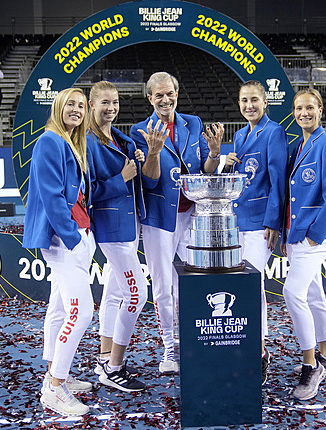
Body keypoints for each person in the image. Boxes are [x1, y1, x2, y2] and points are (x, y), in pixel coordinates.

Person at [130, 71, 223, 374]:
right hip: (159, 218)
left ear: (177, 94)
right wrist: (154, 153)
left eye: (170, 93)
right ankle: (169, 349)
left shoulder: (192, 123)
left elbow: (205, 171)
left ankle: (191, 339)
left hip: (191, 213)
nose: (165, 99)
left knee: (193, 279)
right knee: (163, 286)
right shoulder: (139, 131)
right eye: (159, 95)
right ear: (149, 98)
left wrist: (213, 153)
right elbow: (148, 179)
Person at [22, 87, 94, 416]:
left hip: (75, 236)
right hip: (66, 241)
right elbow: (52, 197)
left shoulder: (68, 141)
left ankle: (54, 374)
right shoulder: (50, 141)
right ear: (59, 106)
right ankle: (54, 386)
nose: (77, 110)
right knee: (82, 313)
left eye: (81, 105)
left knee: (59, 311)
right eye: (71, 105)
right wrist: (73, 239)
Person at [221, 80, 287, 386]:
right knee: (245, 286)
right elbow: (242, 179)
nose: (249, 105)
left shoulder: (273, 132)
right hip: (238, 221)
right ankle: (247, 344)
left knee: (252, 287)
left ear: (265, 103)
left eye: (254, 100)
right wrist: (228, 165)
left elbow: (277, 181)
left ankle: (260, 352)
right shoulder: (239, 135)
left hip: (261, 223)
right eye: (244, 100)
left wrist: (274, 222)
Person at [280, 88, 326, 401]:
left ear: (320, 110)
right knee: (314, 294)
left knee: (292, 293)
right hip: (296, 235)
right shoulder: (298, 146)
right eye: (299, 108)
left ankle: (311, 365)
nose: (304, 113)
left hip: (314, 236)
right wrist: (286, 235)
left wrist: (314, 234)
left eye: (310, 108)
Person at [86, 81, 147, 392]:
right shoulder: (87, 142)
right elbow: (89, 192)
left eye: (115, 102)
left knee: (113, 293)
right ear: (91, 105)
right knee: (138, 295)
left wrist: (136, 157)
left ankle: (104, 356)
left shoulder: (118, 137)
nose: (110, 108)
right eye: (104, 103)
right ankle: (115, 366)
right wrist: (121, 178)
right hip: (111, 228)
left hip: (129, 224)